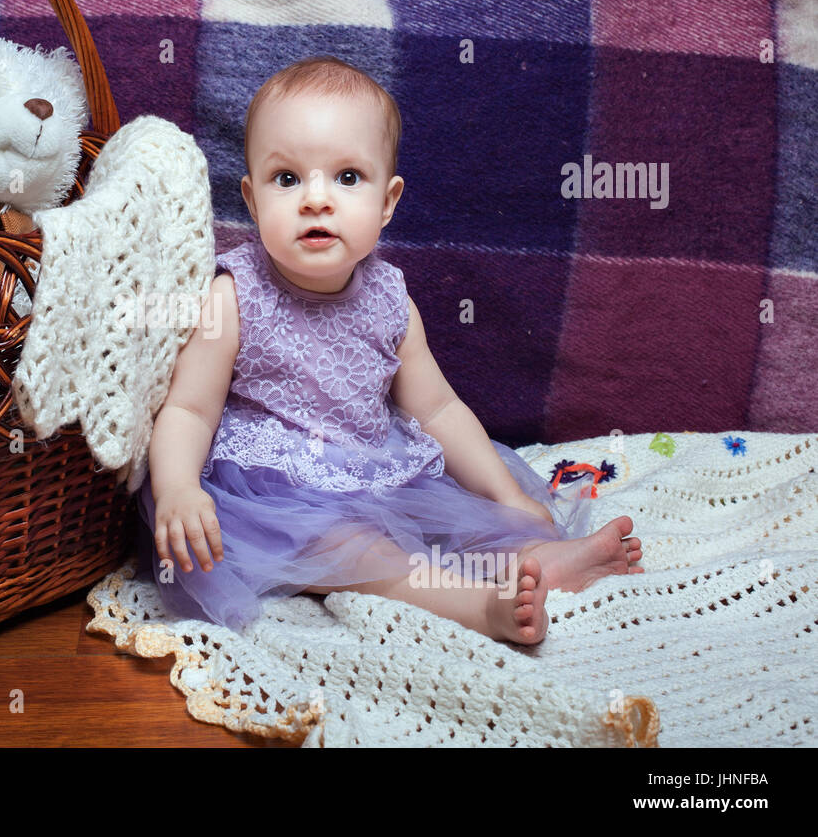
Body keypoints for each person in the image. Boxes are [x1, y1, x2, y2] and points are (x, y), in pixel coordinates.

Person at [134, 55, 643, 644]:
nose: (316, 199)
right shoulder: (233, 297)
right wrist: (177, 488)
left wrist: (506, 498)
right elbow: (188, 409)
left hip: (375, 472)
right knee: (352, 551)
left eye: (347, 177)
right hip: (277, 493)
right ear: (250, 200)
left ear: (387, 202)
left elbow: (439, 412)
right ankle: (478, 608)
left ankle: (536, 560)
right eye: (287, 178)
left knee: (450, 520)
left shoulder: (390, 300)